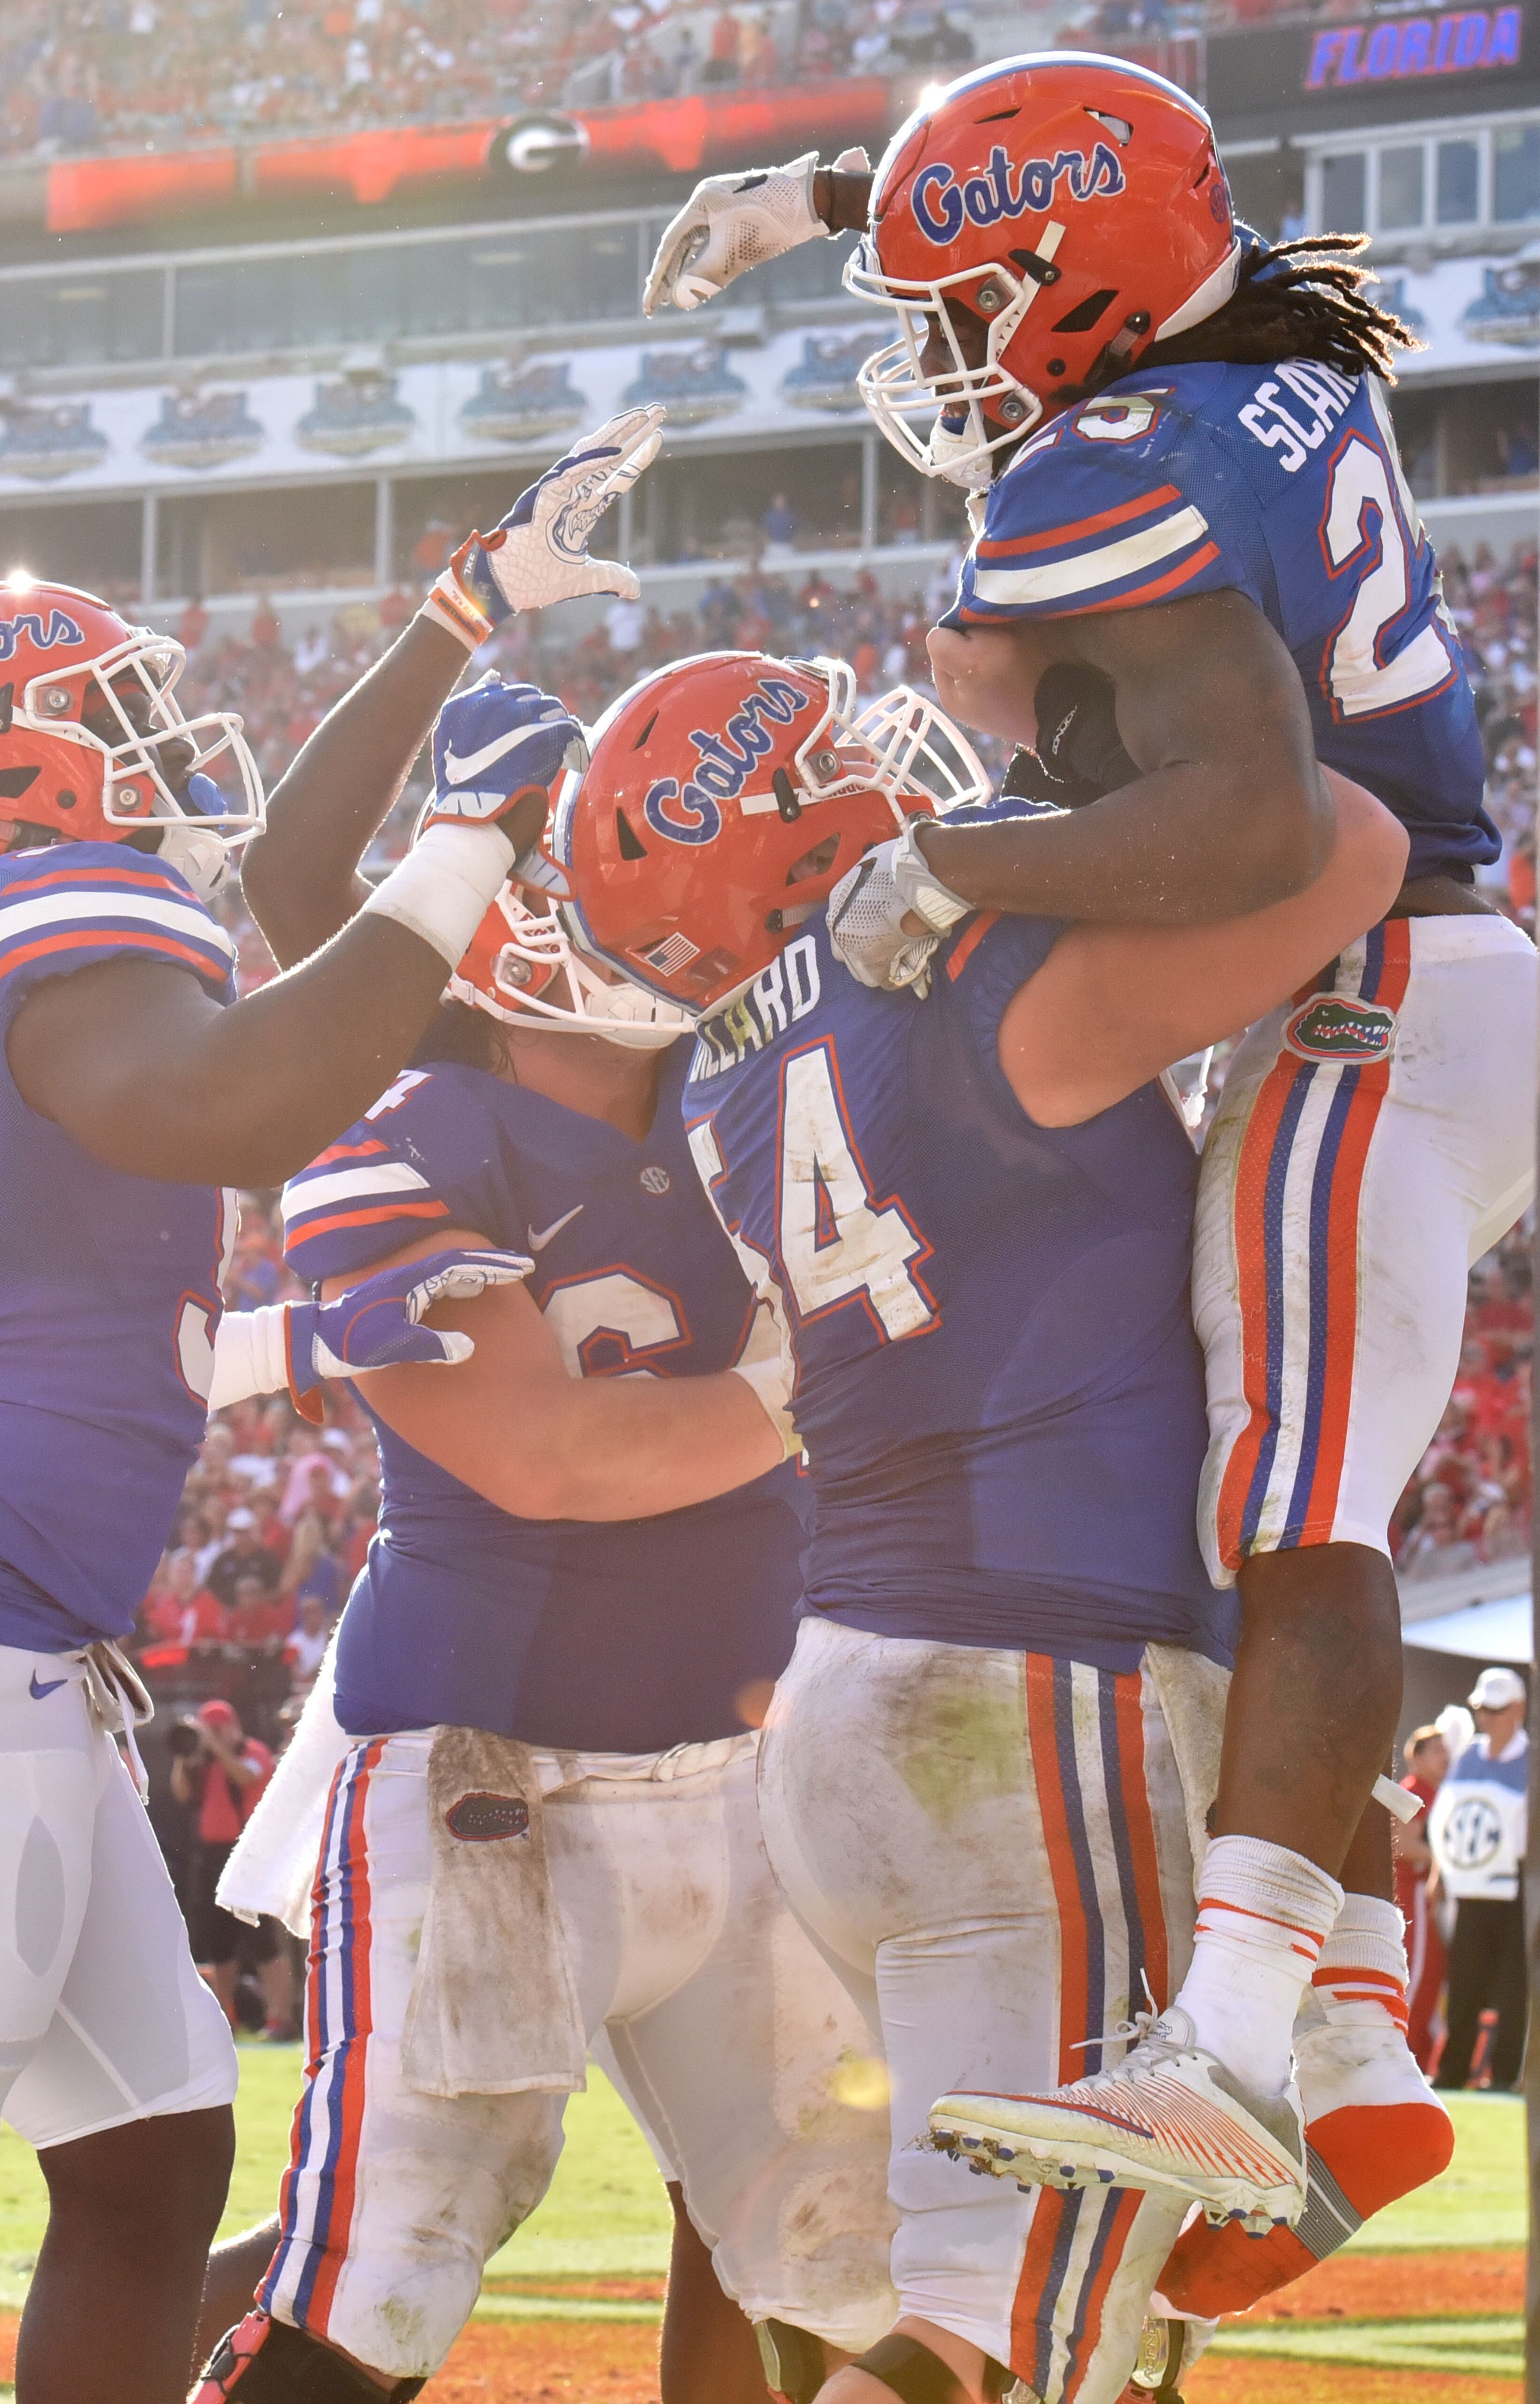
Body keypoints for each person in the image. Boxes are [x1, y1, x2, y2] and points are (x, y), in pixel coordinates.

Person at [640, 53, 1534, 2301]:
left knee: (1288, 1503)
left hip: (1376, 976)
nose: (941, 353)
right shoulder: (1245, 375)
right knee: (1244, 1481)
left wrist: (952, 849)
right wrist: (838, 188)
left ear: (1076, 291)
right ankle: (1343, 2038)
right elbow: (1092, 182)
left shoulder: (1118, 448)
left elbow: (1245, 826)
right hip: (1403, 972)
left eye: (963, 303)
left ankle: (1230, 2041)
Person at [0, 409, 664, 2404]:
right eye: (109, 708)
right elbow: (234, 1093)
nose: (162, 738)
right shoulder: (56, 906)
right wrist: (466, 836)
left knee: (155, 2166)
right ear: (12, 765)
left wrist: (448, 623)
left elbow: (275, 979)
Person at [557, 645, 1407, 2404]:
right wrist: (1001, 864)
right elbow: (1349, 846)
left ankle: (1348, 2072)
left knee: (1031, 2304)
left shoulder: (723, 1082)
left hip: (865, 1707)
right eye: (841, 760)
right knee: (1008, 2344)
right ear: (798, 828)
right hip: (1033, 1703)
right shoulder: (969, 974)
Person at [186, 804, 896, 2404]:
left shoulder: (765, 1102)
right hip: (491, 1771)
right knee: (379, 2280)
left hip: (750, 1767)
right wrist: (817, 1378)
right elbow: (547, 1456)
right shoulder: (404, 1124)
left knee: (858, 2262)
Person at [1430, 1666, 1529, 2091]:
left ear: (1519, 1710)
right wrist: (1438, 1871)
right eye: (1482, 1709)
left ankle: (1506, 2076)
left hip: (1517, 1888)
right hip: (1469, 1887)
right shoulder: (1468, 1755)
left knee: (1514, 1986)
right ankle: (1453, 2072)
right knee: (1465, 1983)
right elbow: (1447, 1819)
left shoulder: (1533, 1758)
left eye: (1497, 1709)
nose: (1487, 1717)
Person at [170, 1700, 293, 2039]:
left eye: (218, 1728)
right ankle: (225, 2020)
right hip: (211, 1857)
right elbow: (181, 1792)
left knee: (264, 1941)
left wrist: (216, 1748)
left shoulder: (254, 1751)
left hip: (250, 1852)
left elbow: (245, 1775)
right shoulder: (204, 1762)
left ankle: (279, 2018)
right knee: (218, 1943)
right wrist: (186, 1755)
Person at [1394, 1727, 1450, 2074]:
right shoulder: (1414, 1791)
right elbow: (1401, 1844)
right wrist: (1448, 1859)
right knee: (1417, 1973)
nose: (1445, 1756)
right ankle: (1404, 2053)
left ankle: (1423, 2058)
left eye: (1447, 1749)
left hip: (1429, 1895)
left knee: (1432, 1977)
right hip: (1413, 1892)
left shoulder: (1442, 1791)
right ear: (1417, 1757)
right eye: (1437, 1750)